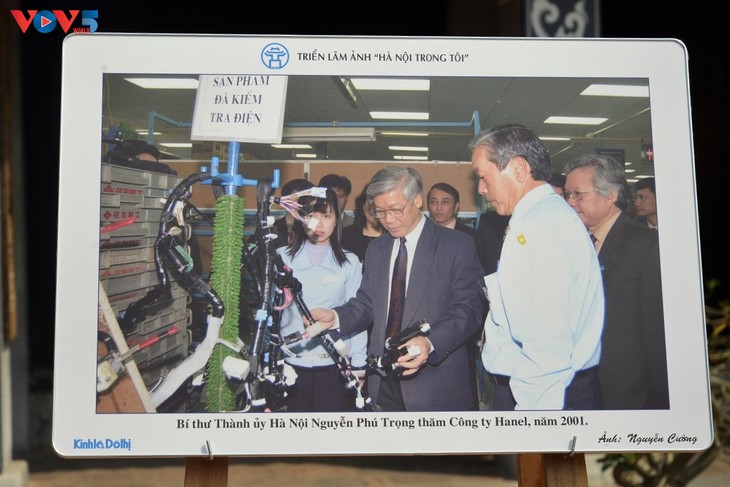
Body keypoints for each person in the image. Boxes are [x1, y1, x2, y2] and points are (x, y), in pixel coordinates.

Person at [308, 166, 485, 411]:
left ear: (417, 200)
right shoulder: (377, 249)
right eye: (379, 211)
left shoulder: (456, 245)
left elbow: (469, 310)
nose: (388, 219)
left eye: (395, 210)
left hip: (435, 384)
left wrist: (430, 342)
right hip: (382, 382)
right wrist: (337, 317)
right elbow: (367, 303)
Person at [471, 123, 605, 411]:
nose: (481, 189)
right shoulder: (549, 214)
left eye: (483, 176)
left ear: (518, 169)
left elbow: (546, 343)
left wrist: (533, 419)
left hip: (543, 396)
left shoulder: (535, 227)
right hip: (559, 388)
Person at [563, 155, 668, 409]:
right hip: (586, 389)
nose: (570, 202)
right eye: (567, 195)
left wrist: (661, 407)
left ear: (610, 196)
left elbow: (658, 335)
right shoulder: (577, 244)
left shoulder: (646, 246)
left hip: (631, 394)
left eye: (578, 194)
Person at [277, 188, 367, 412]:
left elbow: (357, 314)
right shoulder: (281, 259)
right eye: (310, 216)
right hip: (291, 362)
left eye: (326, 216)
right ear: (300, 219)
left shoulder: (350, 263)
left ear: (337, 219)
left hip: (334, 363)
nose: (318, 223)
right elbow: (271, 312)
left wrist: (359, 363)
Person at [341, 183, 384, 267]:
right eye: (372, 204)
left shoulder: (393, 237)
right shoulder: (345, 235)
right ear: (363, 206)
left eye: (380, 206)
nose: (375, 210)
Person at [271, 178, 314, 249]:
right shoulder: (271, 228)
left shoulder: (316, 227)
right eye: (297, 199)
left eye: (305, 199)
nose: (300, 203)